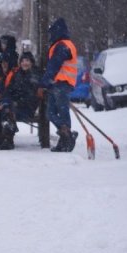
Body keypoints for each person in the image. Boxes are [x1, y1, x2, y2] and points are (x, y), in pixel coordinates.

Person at [39, 17, 78, 152]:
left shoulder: (62, 45)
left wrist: (44, 82)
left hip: (62, 83)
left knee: (60, 112)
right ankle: (66, 135)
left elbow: (54, 65)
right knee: (51, 113)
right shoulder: (63, 44)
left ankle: (66, 137)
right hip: (57, 84)